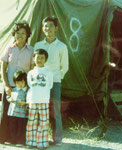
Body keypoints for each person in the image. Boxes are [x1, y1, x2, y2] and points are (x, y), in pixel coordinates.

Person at [34, 16, 69, 144]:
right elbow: (35, 63)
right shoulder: (38, 45)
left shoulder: (61, 46)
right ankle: (39, 137)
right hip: (39, 82)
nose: (48, 28)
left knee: (55, 110)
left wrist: (56, 78)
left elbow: (64, 67)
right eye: (45, 26)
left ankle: (57, 138)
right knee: (39, 108)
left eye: (51, 25)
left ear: (56, 28)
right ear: (43, 29)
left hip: (55, 82)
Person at [0, 20, 34, 144]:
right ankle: (4, 137)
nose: (20, 35)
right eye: (18, 33)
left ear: (27, 35)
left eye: (23, 33)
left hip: (23, 88)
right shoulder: (9, 49)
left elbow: (31, 70)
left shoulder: (31, 50)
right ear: (14, 34)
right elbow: (3, 68)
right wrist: (7, 86)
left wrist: (29, 88)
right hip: (10, 86)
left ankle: (20, 139)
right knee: (6, 112)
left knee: (22, 113)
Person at [26, 49, 53, 149]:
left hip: (44, 100)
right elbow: (30, 85)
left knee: (43, 121)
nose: (39, 60)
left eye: (42, 58)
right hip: (33, 100)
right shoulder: (30, 73)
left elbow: (50, 85)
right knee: (31, 121)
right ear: (33, 58)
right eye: (37, 57)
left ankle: (42, 143)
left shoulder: (49, 72)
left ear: (45, 59)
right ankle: (31, 142)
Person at [7, 71, 28, 144]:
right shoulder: (14, 89)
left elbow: (29, 100)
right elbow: (8, 97)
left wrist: (25, 103)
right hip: (13, 112)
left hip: (22, 113)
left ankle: (20, 140)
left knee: (21, 127)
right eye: (18, 83)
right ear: (15, 83)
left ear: (25, 81)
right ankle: (13, 139)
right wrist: (10, 99)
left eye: (22, 82)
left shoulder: (27, 91)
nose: (20, 85)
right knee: (13, 126)